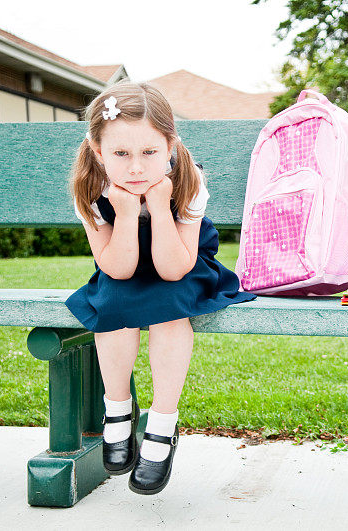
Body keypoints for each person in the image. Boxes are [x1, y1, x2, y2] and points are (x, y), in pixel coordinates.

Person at [65, 80, 256, 495]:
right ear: (99, 152)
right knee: (112, 305)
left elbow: (174, 269)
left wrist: (156, 205)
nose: (136, 168)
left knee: (169, 311)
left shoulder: (188, 182)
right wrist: (127, 210)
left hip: (182, 264)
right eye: (121, 154)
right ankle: (117, 410)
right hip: (123, 260)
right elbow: (116, 268)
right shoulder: (90, 188)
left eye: (150, 152)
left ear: (170, 144)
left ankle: (163, 425)